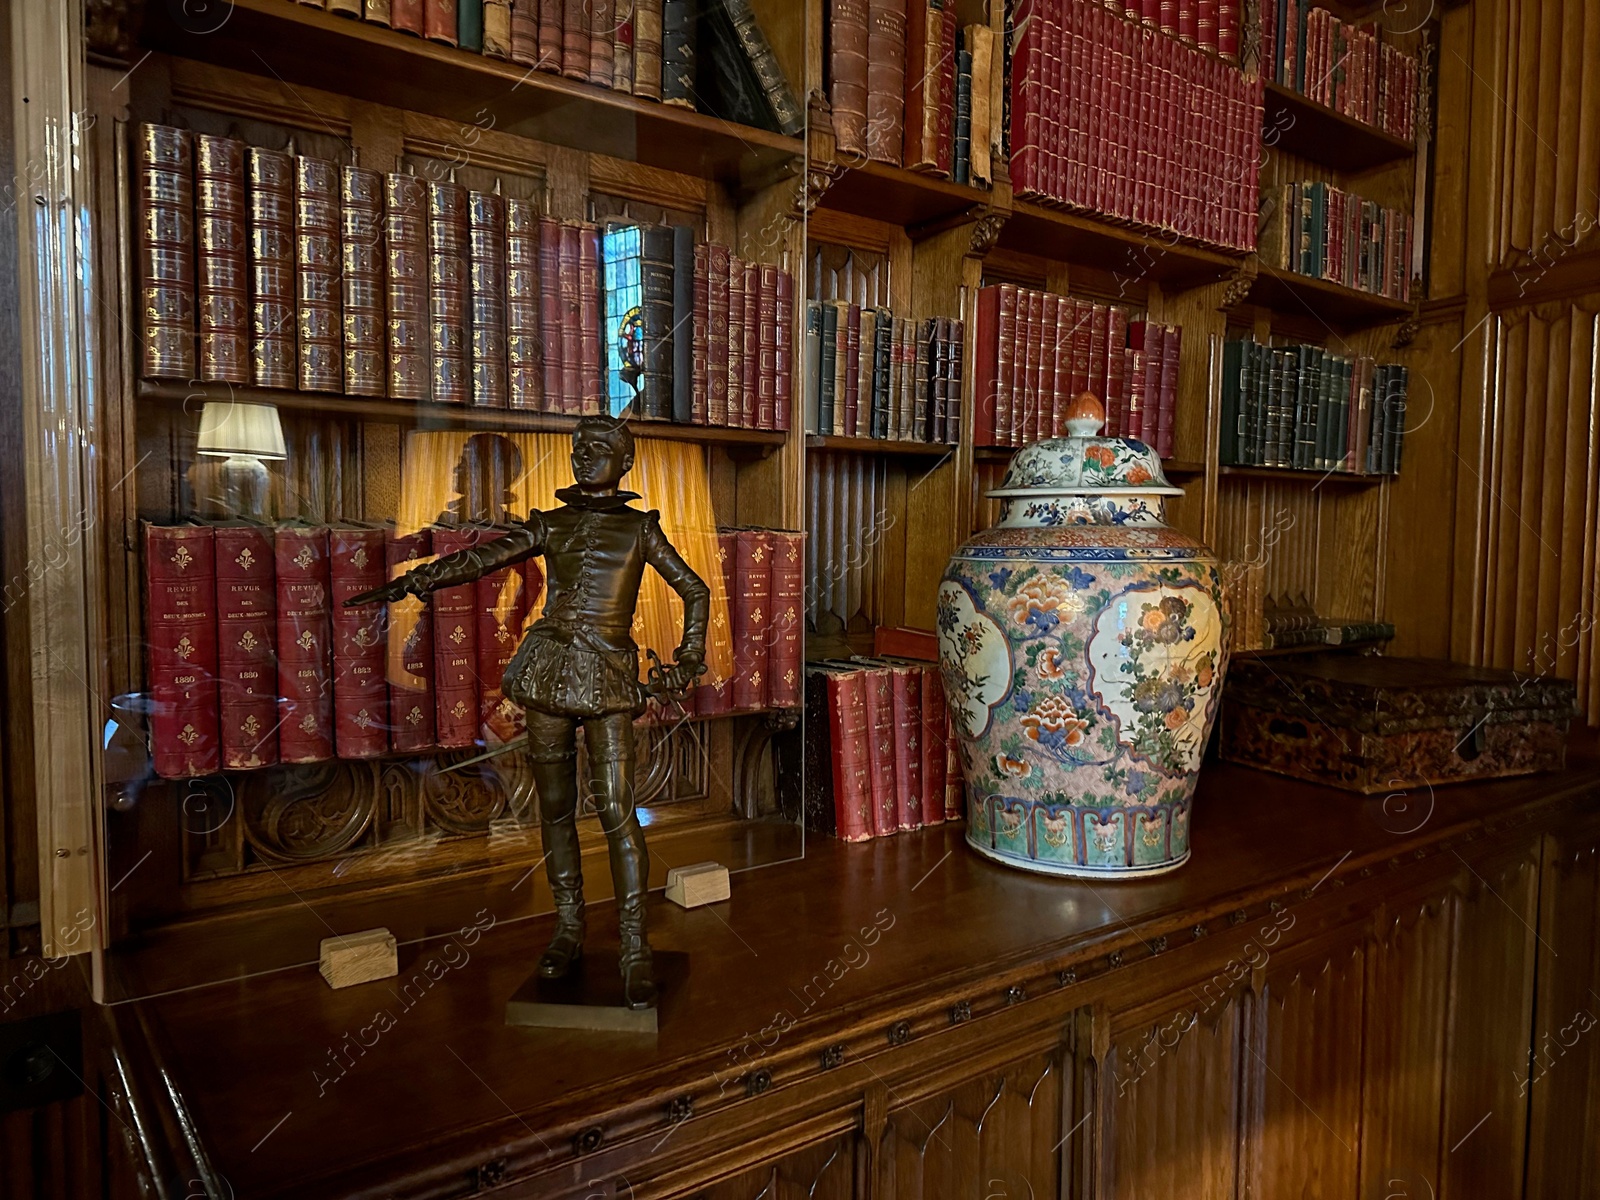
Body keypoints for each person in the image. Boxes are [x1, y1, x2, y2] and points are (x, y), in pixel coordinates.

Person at [350, 416, 708, 1008]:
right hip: (548, 670)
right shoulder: (552, 523)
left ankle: (634, 945)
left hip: (609, 675)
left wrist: (687, 659)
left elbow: (694, 590)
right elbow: (483, 560)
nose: (584, 456)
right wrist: (418, 581)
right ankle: (568, 927)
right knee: (556, 806)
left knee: (619, 810)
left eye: (600, 448)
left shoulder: (641, 529)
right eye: (578, 448)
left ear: (624, 462)